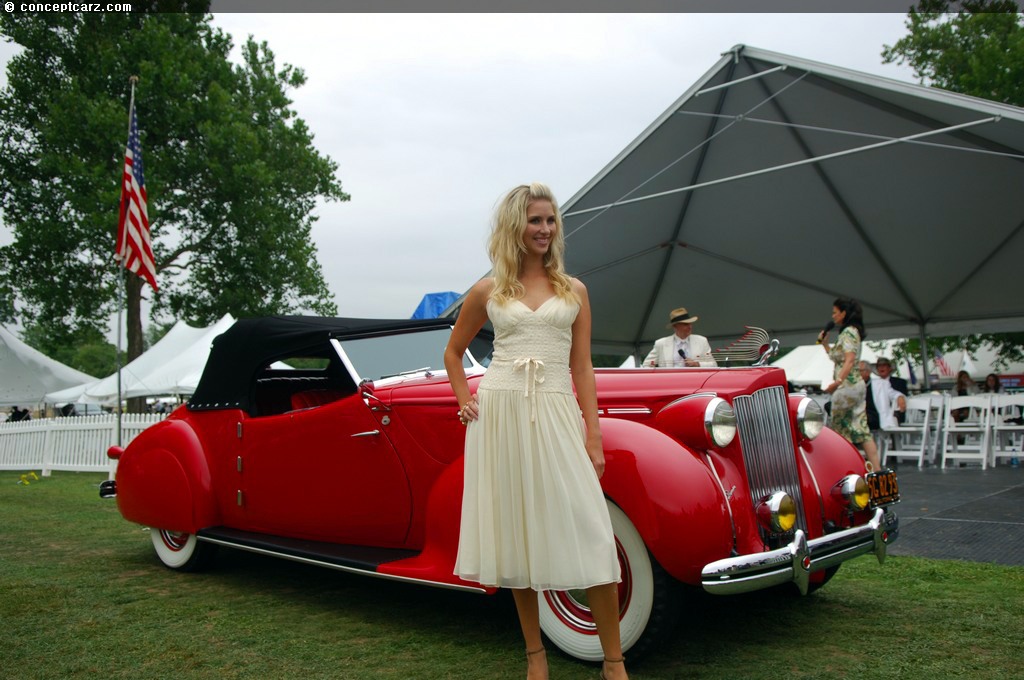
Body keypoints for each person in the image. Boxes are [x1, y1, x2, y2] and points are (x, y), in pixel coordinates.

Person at [443, 183, 628, 680]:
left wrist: (593, 434)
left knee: (593, 533)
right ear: (515, 227)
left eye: (550, 221)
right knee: (518, 537)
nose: (545, 229)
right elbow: (453, 353)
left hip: (555, 410)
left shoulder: (574, 290)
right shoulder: (488, 291)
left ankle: (615, 663)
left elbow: (583, 367)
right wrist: (465, 401)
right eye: (535, 220)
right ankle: (535, 658)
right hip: (500, 413)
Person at [819, 298, 881, 472]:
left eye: (834, 312)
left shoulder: (848, 333)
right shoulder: (853, 332)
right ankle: (877, 471)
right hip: (857, 386)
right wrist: (825, 345)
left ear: (843, 313)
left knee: (839, 429)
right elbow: (838, 357)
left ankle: (844, 469)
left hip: (846, 387)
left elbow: (849, 360)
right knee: (862, 428)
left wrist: (837, 382)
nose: (833, 316)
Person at [642, 307, 718, 367]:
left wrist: (697, 364)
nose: (690, 326)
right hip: (670, 383)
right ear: (675, 326)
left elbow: (713, 364)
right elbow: (647, 365)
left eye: (690, 324)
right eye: (686, 324)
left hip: (695, 382)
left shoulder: (701, 341)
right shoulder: (661, 343)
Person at [875, 357, 909, 424]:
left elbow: (903, 398)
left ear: (889, 368)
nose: (881, 368)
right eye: (879, 366)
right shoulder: (874, 384)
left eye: (884, 365)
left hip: (896, 413)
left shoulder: (900, 382)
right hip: (877, 414)